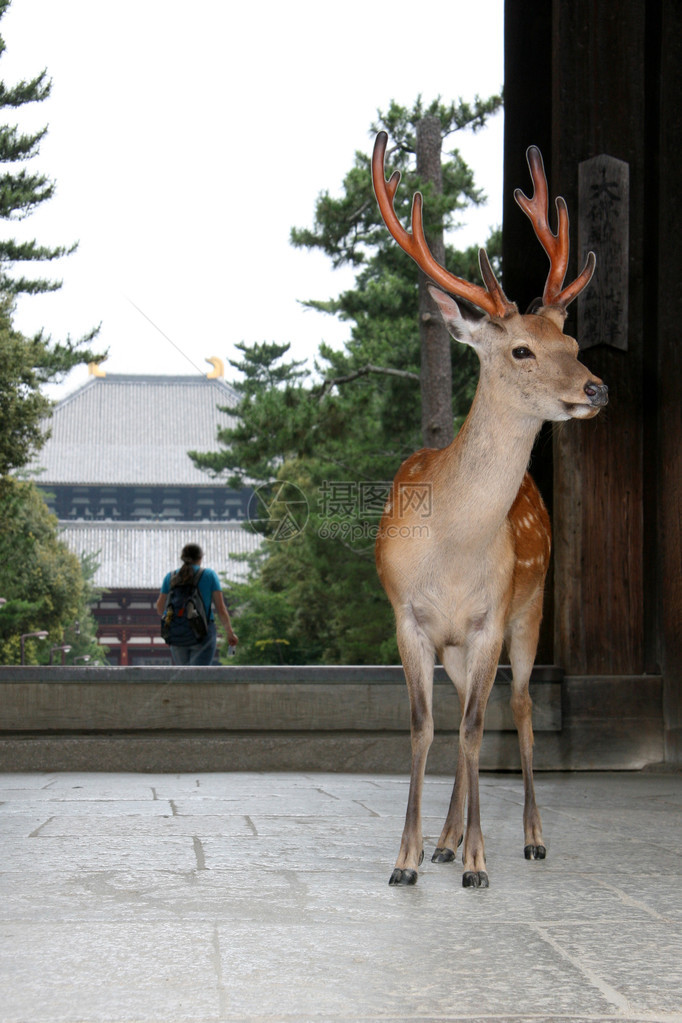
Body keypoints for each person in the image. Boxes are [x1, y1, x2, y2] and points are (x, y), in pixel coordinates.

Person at [155, 543, 238, 665]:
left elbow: (160, 609)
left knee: (184, 677)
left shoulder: (170, 577)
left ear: (183, 558)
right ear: (200, 558)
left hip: (178, 635)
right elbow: (221, 609)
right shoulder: (209, 575)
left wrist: (179, 619)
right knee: (198, 678)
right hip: (203, 633)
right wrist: (230, 633)